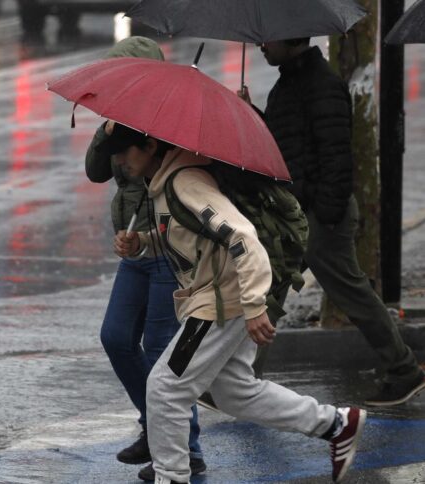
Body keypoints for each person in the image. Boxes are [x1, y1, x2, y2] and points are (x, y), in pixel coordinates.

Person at [101, 123, 366, 484]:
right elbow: (191, 240)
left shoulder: (185, 182)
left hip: (221, 304)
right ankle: (335, 424)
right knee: (234, 392)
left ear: (148, 145)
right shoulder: (162, 183)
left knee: (165, 387)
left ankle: (172, 477)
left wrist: (255, 304)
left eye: (124, 151)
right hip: (218, 299)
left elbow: (243, 236)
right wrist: (144, 244)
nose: (119, 161)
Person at [240, 38, 425, 406]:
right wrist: (251, 115)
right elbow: (284, 145)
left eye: (270, 38)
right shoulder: (290, 81)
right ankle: (240, 380)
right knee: (268, 289)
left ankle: (404, 370)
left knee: (351, 293)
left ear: (293, 39)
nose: (262, 45)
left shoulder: (321, 84)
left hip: (318, 215)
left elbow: (337, 158)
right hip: (298, 212)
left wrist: (323, 214)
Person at [85, 36, 206, 480]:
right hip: (135, 250)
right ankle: (155, 427)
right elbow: (96, 171)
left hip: (169, 254)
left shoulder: (172, 121)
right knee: (116, 337)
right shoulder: (120, 125)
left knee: (161, 355)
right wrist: (107, 130)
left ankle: (183, 448)